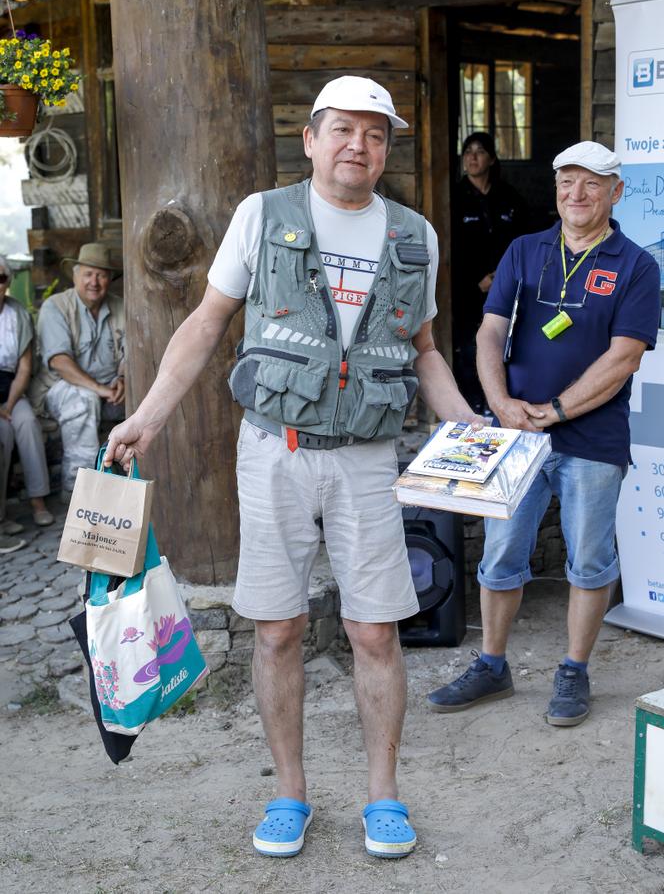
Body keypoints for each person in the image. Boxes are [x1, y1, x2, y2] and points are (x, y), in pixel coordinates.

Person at [104, 75, 481, 859]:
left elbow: (425, 353)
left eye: (375, 135)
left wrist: (471, 428)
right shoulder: (262, 216)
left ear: (386, 150)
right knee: (277, 629)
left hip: (368, 460)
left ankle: (383, 798)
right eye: (343, 129)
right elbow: (205, 326)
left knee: (375, 631)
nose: (359, 146)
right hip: (274, 450)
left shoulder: (415, 234)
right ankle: (289, 795)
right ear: (310, 139)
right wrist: (146, 417)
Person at [428, 141, 661, 727]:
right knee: (502, 555)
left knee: (588, 560)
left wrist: (553, 410)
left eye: (590, 184)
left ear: (616, 192)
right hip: (515, 434)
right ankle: (492, 665)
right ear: (555, 190)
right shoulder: (524, 251)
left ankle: (574, 672)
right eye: (566, 183)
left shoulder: (637, 265)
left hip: (592, 439)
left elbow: (624, 358)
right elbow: (488, 335)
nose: (576, 196)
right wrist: (502, 403)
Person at [31, 243, 125, 499]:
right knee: (82, 399)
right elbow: (59, 361)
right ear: (75, 276)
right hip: (58, 389)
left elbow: (131, 351)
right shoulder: (56, 306)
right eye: (88, 274)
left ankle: (135, 492)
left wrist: (123, 378)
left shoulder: (120, 306)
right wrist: (100, 389)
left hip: (108, 388)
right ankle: (79, 494)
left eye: (102, 275)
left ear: (109, 280)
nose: (94, 282)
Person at [452, 132, 530, 413]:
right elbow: (450, 249)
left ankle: (500, 403)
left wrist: (500, 276)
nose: (472, 157)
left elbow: (524, 240)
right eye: (468, 151)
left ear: (492, 158)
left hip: (507, 284)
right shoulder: (454, 197)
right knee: (471, 347)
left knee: (507, 344)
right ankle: (475, 404)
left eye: (479, 151)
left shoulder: (509, 197)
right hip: (466, 290)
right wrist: (476, 282)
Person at [0, 255, 51, 538]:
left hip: (11, 389)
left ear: (7, 282)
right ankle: (1, 517)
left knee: (27, 423)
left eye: (1, 278)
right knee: (2, 434)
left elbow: (25, 366)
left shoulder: (17, 314)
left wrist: (8, 404)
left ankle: (38, 500)